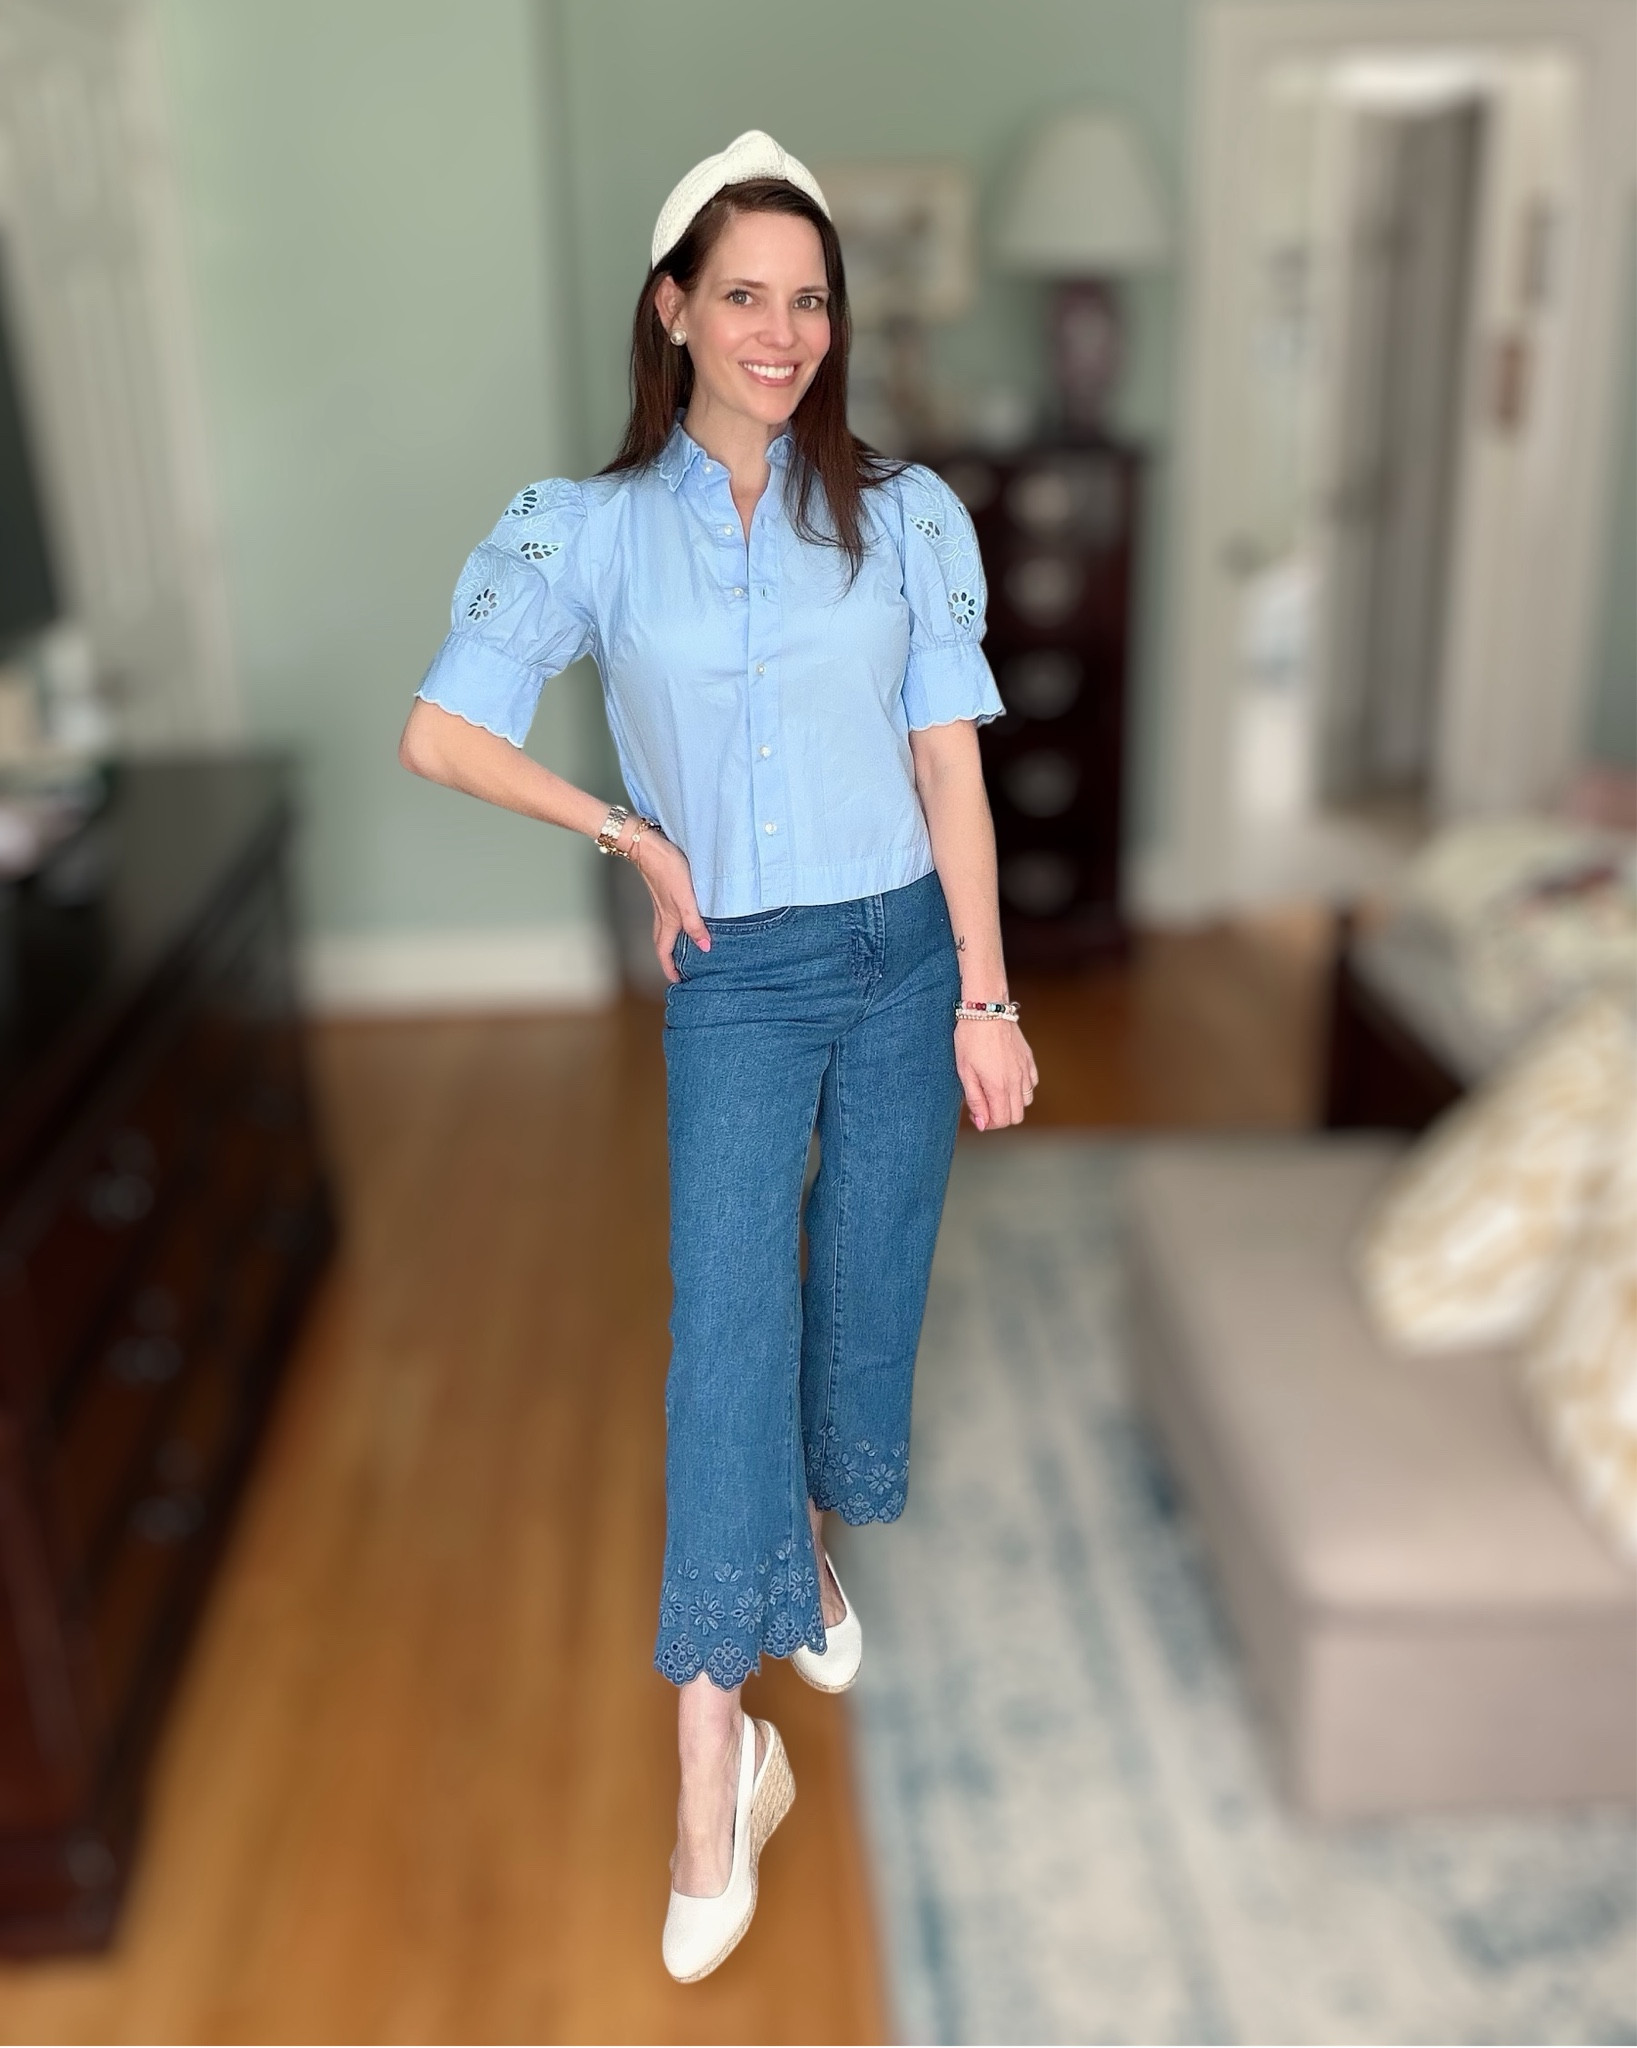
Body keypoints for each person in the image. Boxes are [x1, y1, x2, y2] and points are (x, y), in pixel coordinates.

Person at [399, 128, 1037, 1982]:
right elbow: (444, 731)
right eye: (741, 295)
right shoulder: (582, 529)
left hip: (907, 951)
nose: (780, 332)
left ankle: (804, 1557)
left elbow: (949, 774)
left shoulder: (907, 514)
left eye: (809, 299)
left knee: (859, 1311)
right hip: (741, 978)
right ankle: (713, 1761)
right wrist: (630, 834)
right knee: (724, 1327)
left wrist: (985, 995)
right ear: (671, 309)